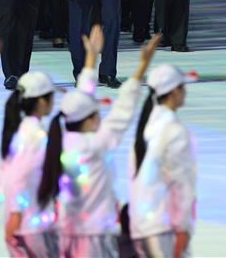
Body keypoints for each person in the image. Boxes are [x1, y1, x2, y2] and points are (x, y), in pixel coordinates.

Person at [38, 25, 158, 257]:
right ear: (90, 119)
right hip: (94, 238)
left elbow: (84, 96)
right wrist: (143, 65)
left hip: (64, 234)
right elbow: (124, 107)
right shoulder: (96, 145)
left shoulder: (60, 141)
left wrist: (92, 58)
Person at [129, 64, 196, 257]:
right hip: (164, 224)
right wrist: (183, 226)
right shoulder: (174, 130)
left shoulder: (146, 125)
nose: (185, 92)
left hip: (141, 220)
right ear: (173, 92)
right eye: (182, 87)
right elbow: (181, 183)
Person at [0, 71, 57, 256]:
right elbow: (18, 176)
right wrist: (16, 212)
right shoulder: (34, 135)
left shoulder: (24, 131)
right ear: (41, 101)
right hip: (31, 224)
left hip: (29, 221)